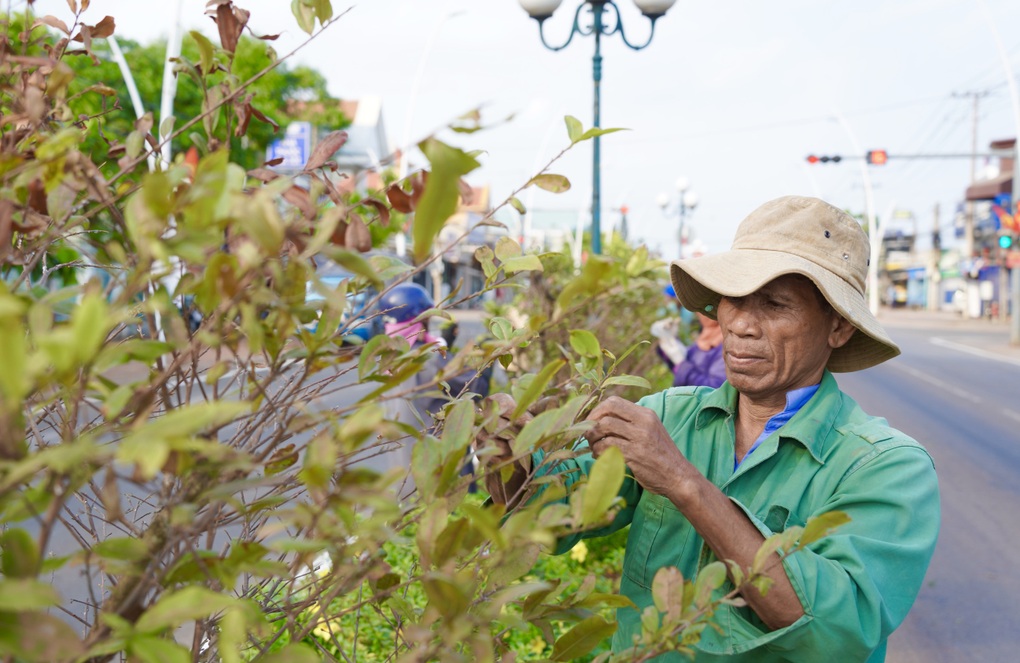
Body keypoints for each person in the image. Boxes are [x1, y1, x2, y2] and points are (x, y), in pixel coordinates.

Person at [481, 196, 940, 662]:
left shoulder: (886, 466)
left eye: (775, 304)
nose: (739, 324)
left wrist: (683, 483)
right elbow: (547, 515)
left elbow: (835, 629)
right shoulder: (670, 416)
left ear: (838, 327)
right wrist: (508, 452)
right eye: (732, 299)